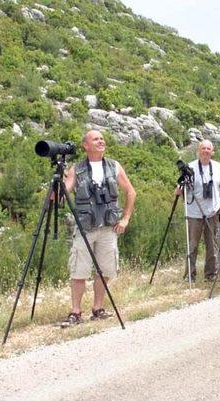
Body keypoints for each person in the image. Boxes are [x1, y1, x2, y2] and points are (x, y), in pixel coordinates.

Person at [61, 130, 136, 326]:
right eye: (96, 139)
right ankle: (76, 312)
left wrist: (125, 218)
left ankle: (98, 308)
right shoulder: (76, 169)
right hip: (85, 228)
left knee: (106, 270)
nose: (101, 141)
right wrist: (57, 186)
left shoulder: (114, 166)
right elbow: (63, 193)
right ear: (85, 145)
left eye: (102, 138)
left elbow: (130, 191)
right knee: (79, 271)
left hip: (108, 227)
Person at [175, 140, 220, 282]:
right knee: (192, 246)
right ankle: (190, 276)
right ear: (198, 151)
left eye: (208, 148)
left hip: (213, 212)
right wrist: (179, 189)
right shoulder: (190, 167)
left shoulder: (218, 167)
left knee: (212, 246)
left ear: (212, 151)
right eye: (203, 148)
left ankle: (210, 274)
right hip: (194, 213)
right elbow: (178, 190)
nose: (205, 151)